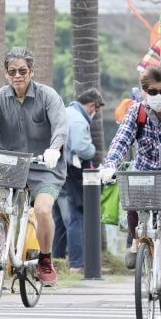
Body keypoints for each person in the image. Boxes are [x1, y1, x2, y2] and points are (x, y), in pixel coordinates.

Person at [99, 65, 161, 315]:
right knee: (131, 199)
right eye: (152, 91)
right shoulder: (136, 111)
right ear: (144, 90)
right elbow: (121, 140)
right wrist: (110, 164)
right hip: (145, 179)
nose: (157, 96)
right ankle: (136, 241)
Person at [0, 46, 68, 286]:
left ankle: (45, 258)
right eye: (12, 71)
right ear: (6, 73)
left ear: (32, 71)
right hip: (12, 164)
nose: (17, 75)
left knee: (43, 210)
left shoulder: (48, 96)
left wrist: (54, 150)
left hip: (45, 165)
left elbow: (61, 127)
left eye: (23, 70)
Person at [52, 88, 103, 273]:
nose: (94, 113)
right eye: (95, 109)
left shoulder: (65, 112)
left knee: (58, 221)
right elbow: (82, 147)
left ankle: (55, 261)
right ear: (91, 105)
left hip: (53, 172)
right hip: (69, 174)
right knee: (74, 219)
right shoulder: (78, 120)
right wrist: (92, 150)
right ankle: (76, 264)